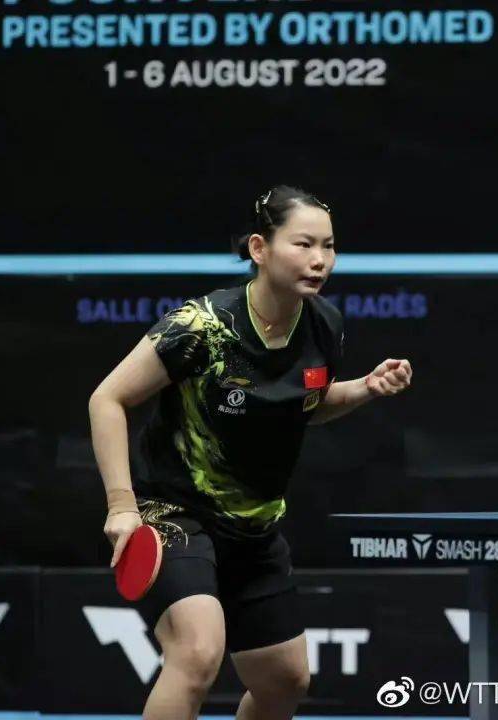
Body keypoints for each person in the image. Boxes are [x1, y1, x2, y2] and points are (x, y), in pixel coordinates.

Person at [88, 185, 412, 720]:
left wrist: (364, 388)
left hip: (254, 527)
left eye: (329, 246)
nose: (320, 259)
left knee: (285, 680)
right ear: (260, 248)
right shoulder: (203, 326)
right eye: (303, 244)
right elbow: (108, 399)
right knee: (197, 653)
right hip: (175, 512)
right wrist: (121, 505)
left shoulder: (324, 324)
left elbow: (302, 406)